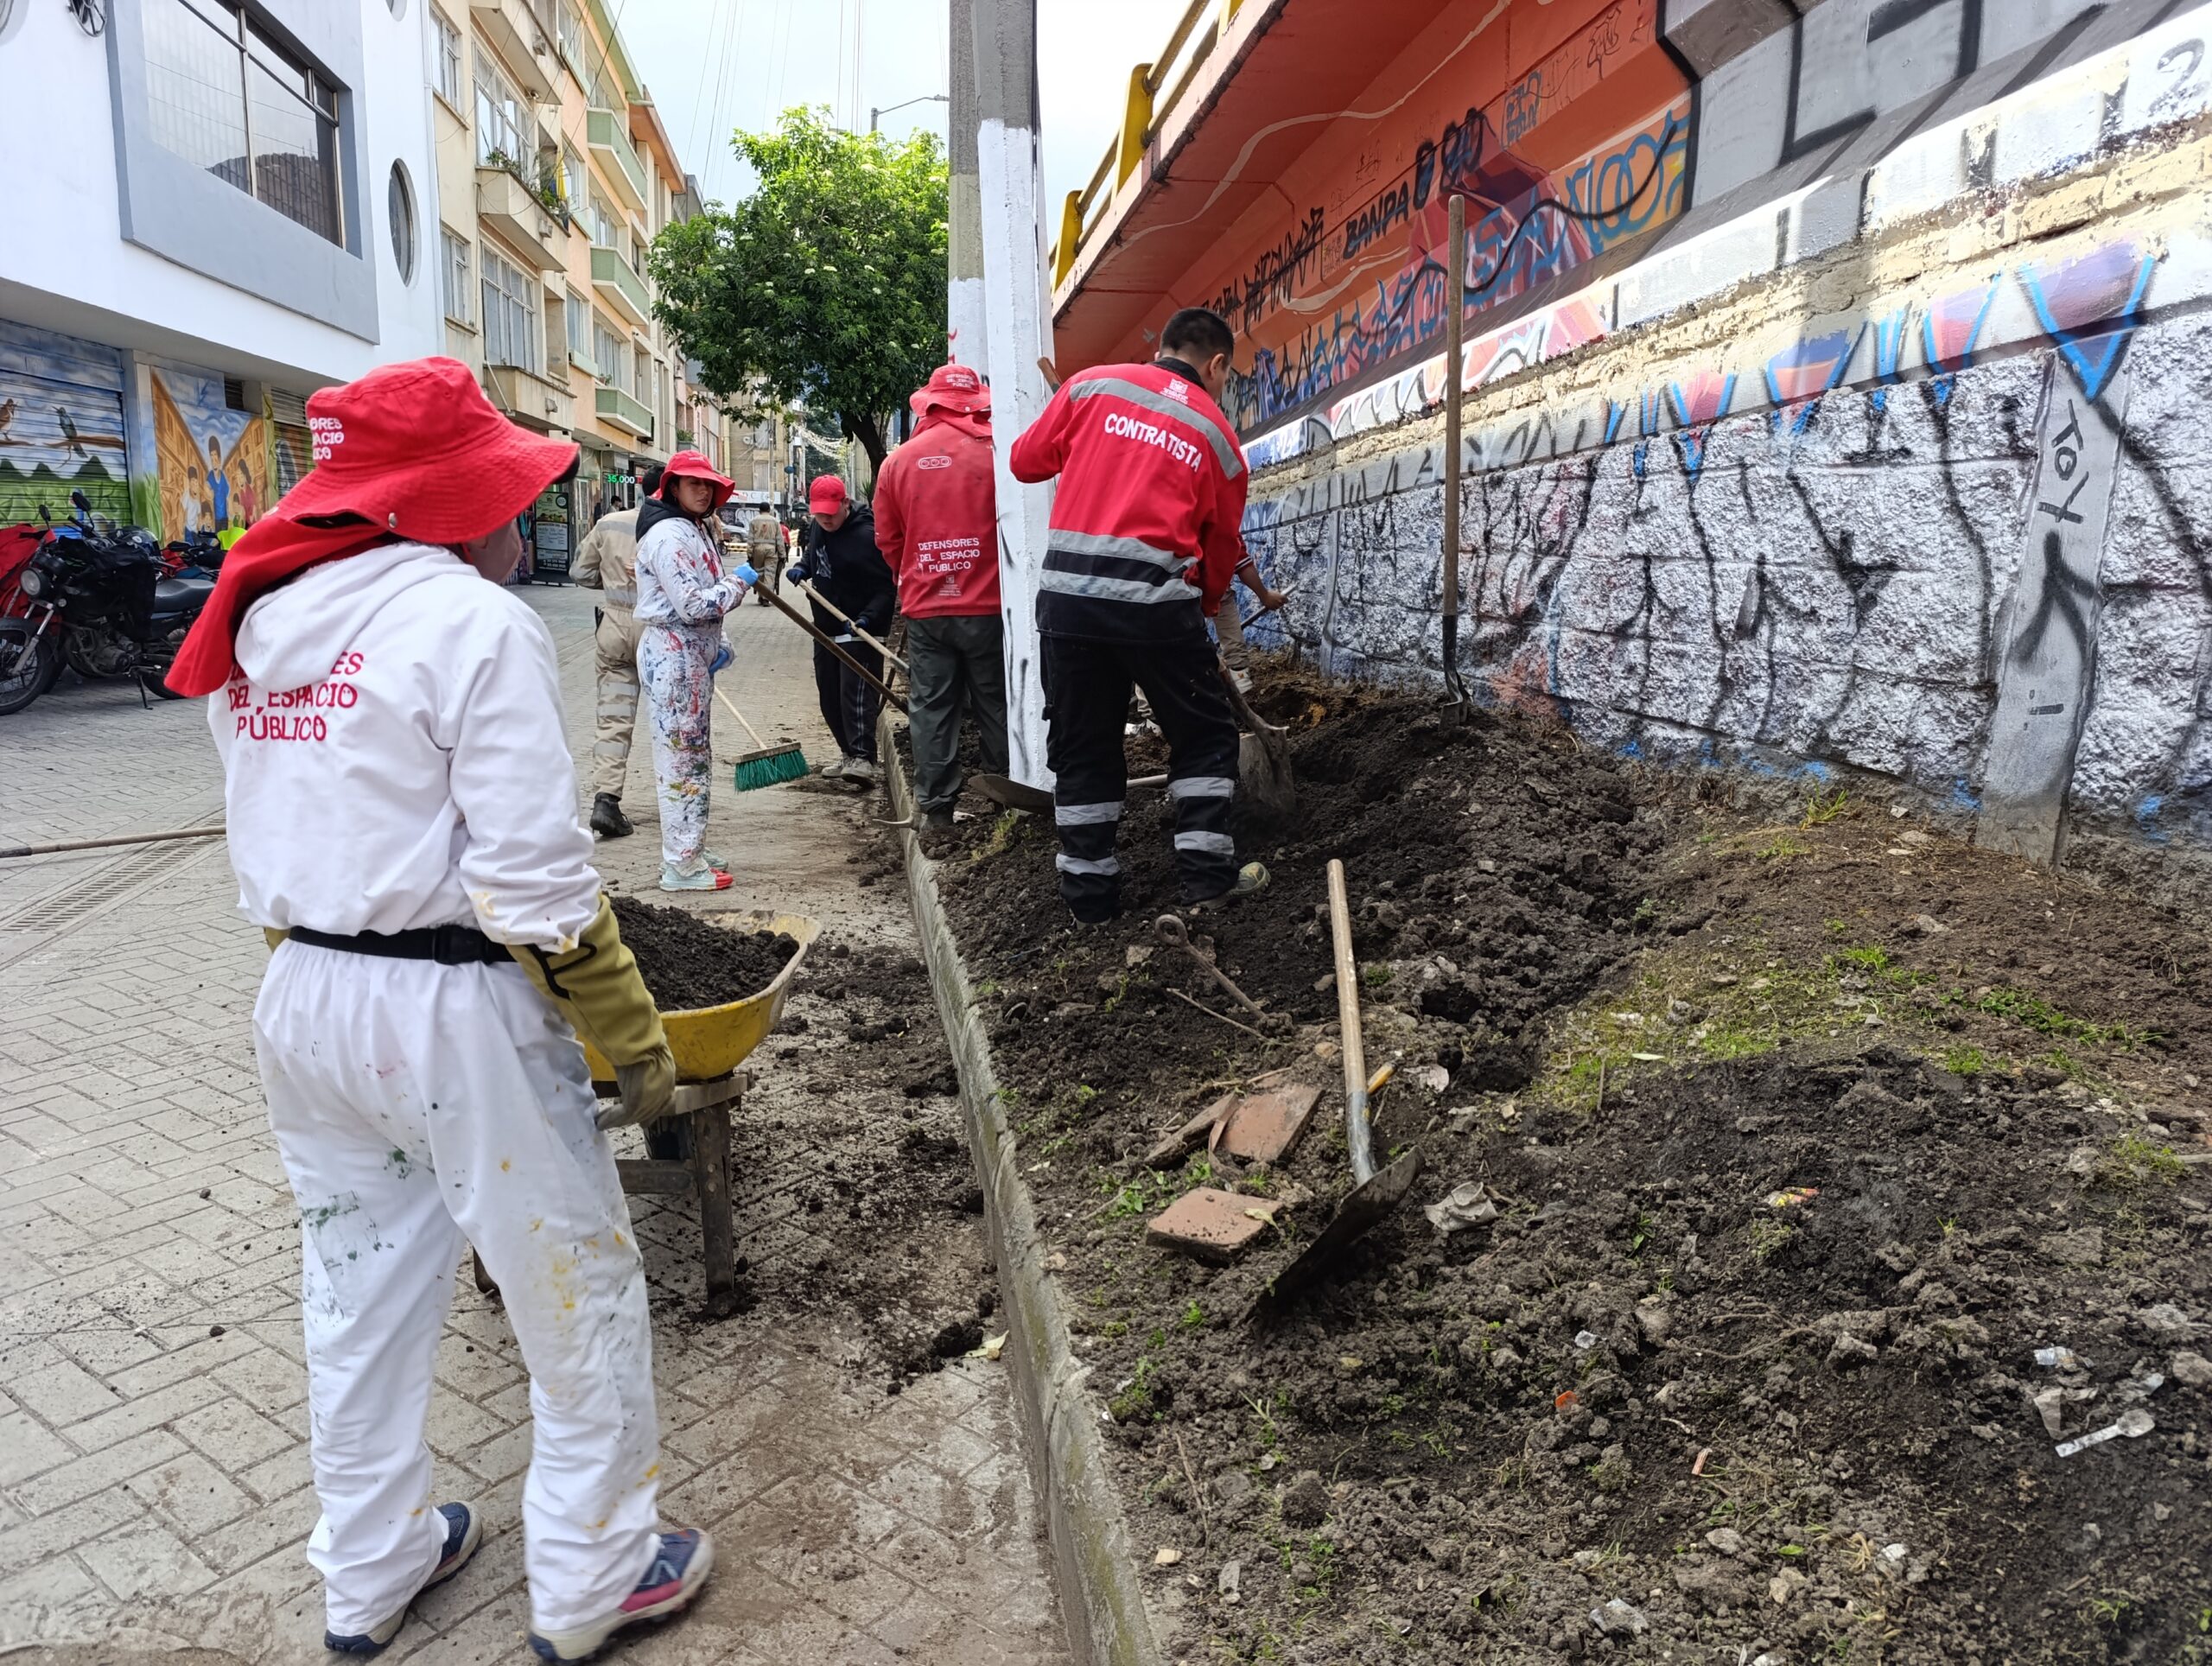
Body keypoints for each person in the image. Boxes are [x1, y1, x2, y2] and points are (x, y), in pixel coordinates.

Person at [163, 356, 711, 1663]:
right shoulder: (473, 627)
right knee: (576, 1294)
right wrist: (626, 1031)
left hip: (304, 998)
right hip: (453, 1010)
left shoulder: (260, 620)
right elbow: (533, 883)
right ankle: (597, 1576)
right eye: (505, 493)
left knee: (358, 1295)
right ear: (440, 506)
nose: (522, 520)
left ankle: (371, 1572)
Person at [1009, 305, 1282, 925]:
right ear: (1215, 365)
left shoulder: (1088, 386)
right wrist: (1208, 607)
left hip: (1069, 606)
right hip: (1157, 611)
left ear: (1161, 346)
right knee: (1205, 737)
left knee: (1083, 747)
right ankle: (1207, 882)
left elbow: (1026, 463)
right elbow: (1220, 549)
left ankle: (1090, 902)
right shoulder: (1219, 438)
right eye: (1226, 376)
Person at [873, 363, 1007, 831]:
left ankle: (937, 811)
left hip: (927, 606)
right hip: (990, 604)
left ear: (928, 403)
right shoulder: (998, 453)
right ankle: (1005, 798)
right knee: (996, 701)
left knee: (932, 707)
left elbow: (889, 540)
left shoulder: (898, 462)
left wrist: (913, 574)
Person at [633, 450, 756, 890]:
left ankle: (691, 847)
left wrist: (717, 644)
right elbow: (692, 604)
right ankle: (681, 865)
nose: (702, 491)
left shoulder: (694, 529)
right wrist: (739, 583)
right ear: (673, 488)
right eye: (693, 484)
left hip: (687, 657)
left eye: (708, 485)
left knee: (692, 755)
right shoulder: (669, 536)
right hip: (674, 656)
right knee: (682, 760)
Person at [571, 463, 664, 839]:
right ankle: (680, 799)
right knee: (672, 720)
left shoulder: (609, 523)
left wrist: (611, 585)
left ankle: (605, 801)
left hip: (614, 628)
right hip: (659, 633)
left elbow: (579, 572)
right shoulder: (677, 526)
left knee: (613, 717)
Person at [786, 475, 894, 785]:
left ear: (846, 504)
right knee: (829, 695)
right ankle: (847, 754)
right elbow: (814, 556)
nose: (825, 520)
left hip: (860, 629)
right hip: (827, 626)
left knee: (856, 694)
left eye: (830, 514)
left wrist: (868, 619)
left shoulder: (867, 537)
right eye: (819, 514)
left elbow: (886, 587)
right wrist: (803, 569)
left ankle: (863, 759)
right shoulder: (820, 527)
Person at [747, 503, 785, 603]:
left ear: (759, 510)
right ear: (769, 510)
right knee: (770, 574)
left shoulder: (753, 521)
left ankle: (761, 595)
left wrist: (749, 553)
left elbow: (750, 539)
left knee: (760, 574)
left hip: (757, 550)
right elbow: (780, 539)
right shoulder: (775, 521)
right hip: (771, 550)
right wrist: (782, 555)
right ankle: (766, 598)